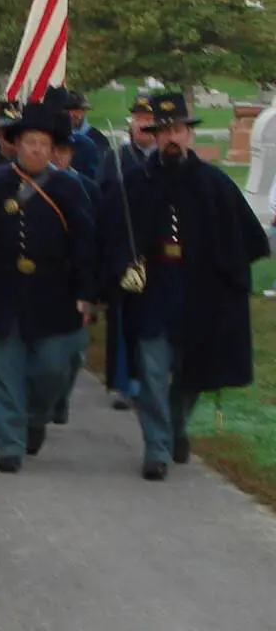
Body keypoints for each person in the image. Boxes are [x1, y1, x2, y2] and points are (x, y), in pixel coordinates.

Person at [100, 92, 269, 481]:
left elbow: (241, 240)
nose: (171, 138)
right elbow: (111, 235)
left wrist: (228, 279)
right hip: (152, 292)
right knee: (153, 372)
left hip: (199, 294)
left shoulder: (215, 184)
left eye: (177, 130)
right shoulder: (135, 183)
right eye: (163, 132)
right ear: (155, 136)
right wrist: (121, 268)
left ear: (188, 134)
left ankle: (176, 427)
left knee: (192, 375)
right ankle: (156, 448)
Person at [0, 102, 95, 473]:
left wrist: (87, 292)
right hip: (0, 291)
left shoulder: (67, 188)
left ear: (53, 150)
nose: (36, 149)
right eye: (29, 142)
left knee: (52, 370)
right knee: (2, 372)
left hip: (55, 295)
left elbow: (85, 243)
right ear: (16, 145)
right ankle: (9, 443)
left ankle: (36, 419)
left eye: (43, 143)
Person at [96, 92, 157, 410]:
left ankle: (149, 380)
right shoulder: (115, 160)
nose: (144, 125)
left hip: (159, 257)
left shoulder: (165, 164)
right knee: (121, 322)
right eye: (139, 120)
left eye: (150, 121)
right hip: (124, 254)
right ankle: (122, 382)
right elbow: (104, 209)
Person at [49, 111, 101, 426]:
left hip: (76, 278)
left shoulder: (88, 189)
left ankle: (61, 397)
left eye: (64, 151)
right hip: (45, 278)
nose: (57, 156)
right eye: (53, 149)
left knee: (74, 351)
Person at [65, 89, 110, 156]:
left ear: (84, 111)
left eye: (77, 110)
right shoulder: (55, 137)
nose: (72, 114)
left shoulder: (98, 139)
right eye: (69, 110)